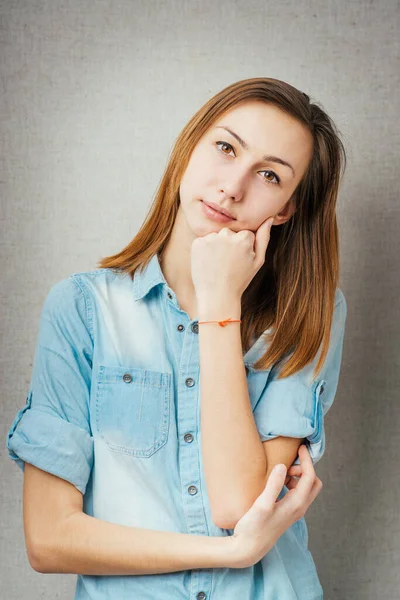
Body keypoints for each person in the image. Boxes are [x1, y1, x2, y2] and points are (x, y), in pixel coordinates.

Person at [6, 77, 347, 599]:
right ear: (191, 147)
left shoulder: (310, 313)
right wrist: (230, 552)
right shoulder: (82, 309)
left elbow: (238, 504)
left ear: (285, 209)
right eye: (226, 147)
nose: (233, 186)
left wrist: (218, 308)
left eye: (270, 176)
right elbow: (49, 538)